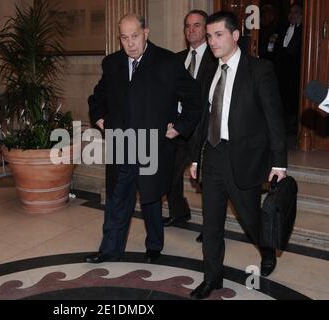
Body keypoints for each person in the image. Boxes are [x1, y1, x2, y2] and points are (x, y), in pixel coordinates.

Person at [87, 14, 202, 264]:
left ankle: (154, 246)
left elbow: (195, 99)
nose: (130, 44)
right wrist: (99, 118)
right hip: (121, 144)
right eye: (124, 38)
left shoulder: (168, 62)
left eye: (135, 36)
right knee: (117, 199)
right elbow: (98, 97)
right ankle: (110, 250)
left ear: (146, 33)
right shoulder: (112, 63)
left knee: (150, 198)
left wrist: (180, 127)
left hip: (153, 145)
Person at [189, 11, 288, 300]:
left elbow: (274, 120)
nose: (212, 41)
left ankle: (267, 249)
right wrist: (196, 157)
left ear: (235, 36)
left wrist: (279, 162)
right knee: (211, 223)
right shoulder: (209, 71)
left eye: (218, 35)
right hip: (214, 155)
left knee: (251, 218)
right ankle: (212, 278)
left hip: (244, 156)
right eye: (209, 36)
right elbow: (203, 118)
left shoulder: (259, 70)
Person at [164, 10, 217, 245]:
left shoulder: (216, 59)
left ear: (205, 30)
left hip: (204, 130)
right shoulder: (177, 58)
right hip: (178, 128)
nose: (191, 30)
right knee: (169, 174)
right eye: (187, 26)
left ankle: (211, 226)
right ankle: (179, 212)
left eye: (196, 25)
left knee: (206, 182)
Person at [270, 3, 303, 134]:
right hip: (280, 69)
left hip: (295, 71)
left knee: (292, 98)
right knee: (280, 97)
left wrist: (298, 25)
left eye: (295, 12)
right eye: (290, 12)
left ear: (301, 15)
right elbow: (273, 49)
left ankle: (292, 126)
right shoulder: (282, 28)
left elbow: (295, 50)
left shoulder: (303, 30)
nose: (292, 15)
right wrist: (271, 42)